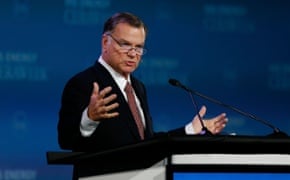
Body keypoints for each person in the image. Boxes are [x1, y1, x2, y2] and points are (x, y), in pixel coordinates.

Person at [57, 12, 228, 179]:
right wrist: (89, 118)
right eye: (125, 44)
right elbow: (66, 140)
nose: (133, 54)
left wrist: (190, 129)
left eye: (138, 47)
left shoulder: (138, 87)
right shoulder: (83, 83)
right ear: (105, 42)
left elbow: (145, 143)